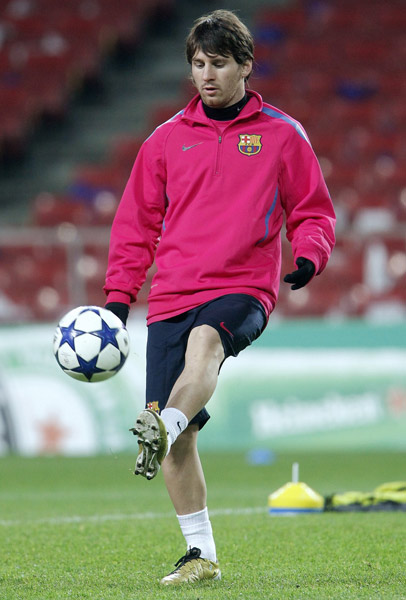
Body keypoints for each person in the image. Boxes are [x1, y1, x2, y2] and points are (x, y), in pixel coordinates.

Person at [104, 9, 335, 586]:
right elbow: (136, 225)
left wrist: (309, 254)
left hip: (243, 286)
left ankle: (164, 424)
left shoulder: (283, 134)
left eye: (219, 63)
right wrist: (117, 297)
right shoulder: (162, 142)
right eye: (198, 64)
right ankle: (200, 555)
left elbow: (312, 210)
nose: (206, 75)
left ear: (246, 66)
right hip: (172, 294)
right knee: (181, 442)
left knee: (206, 345)